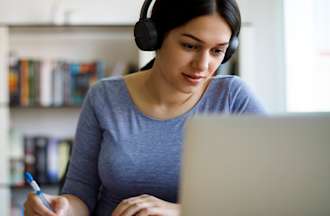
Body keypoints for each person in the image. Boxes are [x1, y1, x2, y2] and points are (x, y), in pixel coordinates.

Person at [24, 0, 265, 215]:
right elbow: (80, 194)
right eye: (190, 46)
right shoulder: (104, 97)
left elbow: (272, 193)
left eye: (217, 51)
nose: (203, 65)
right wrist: (61, 208)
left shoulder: (233, 98)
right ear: (155, 37)